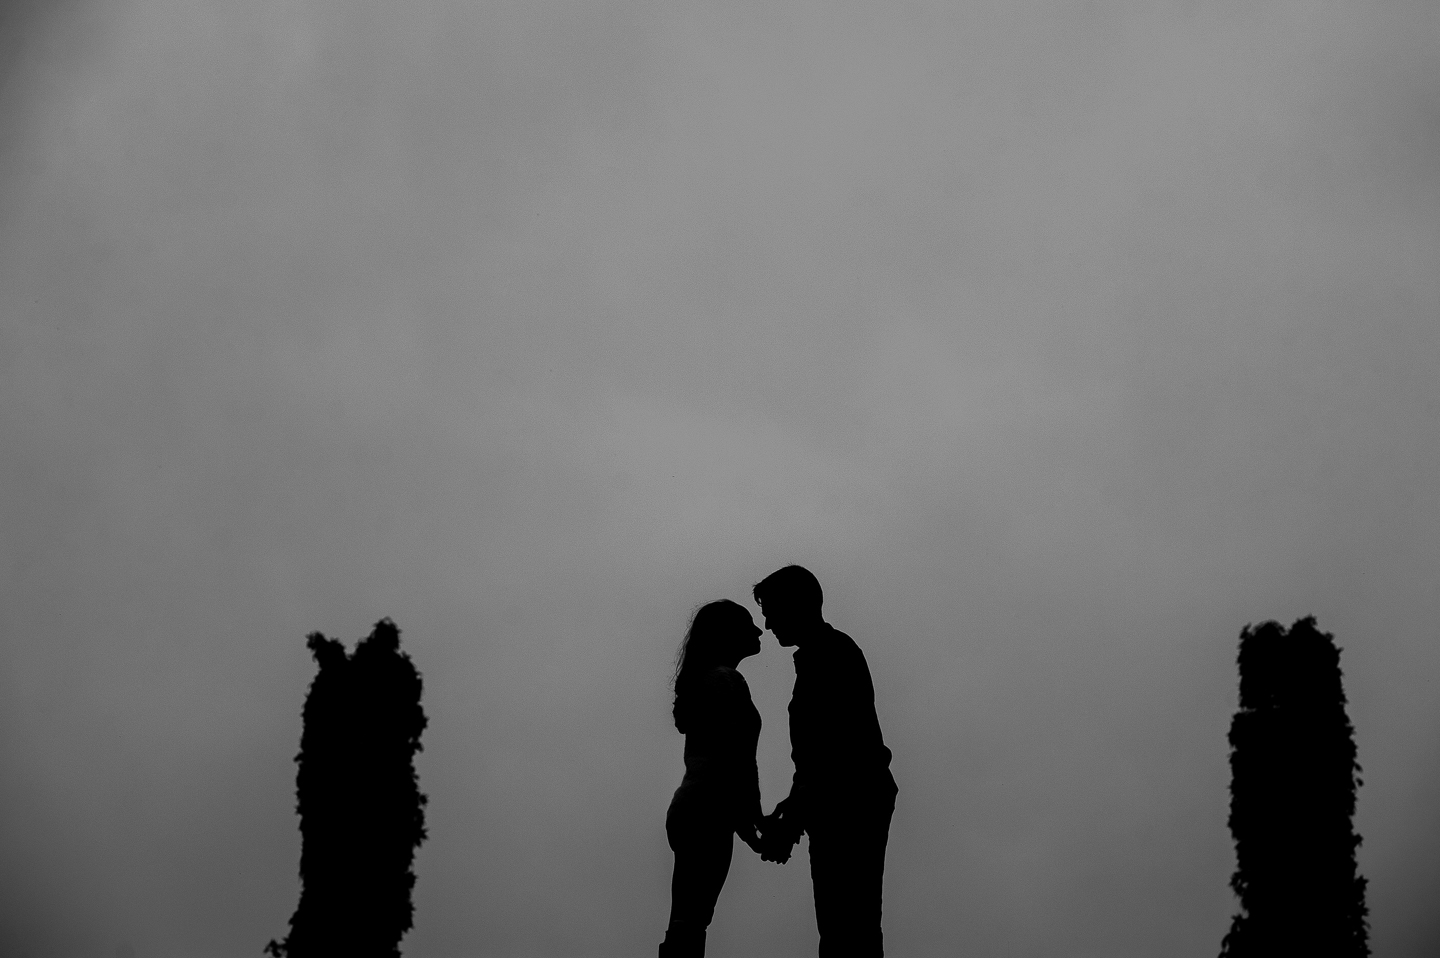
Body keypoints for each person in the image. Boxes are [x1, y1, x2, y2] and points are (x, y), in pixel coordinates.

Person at [754, 565, 897, 958]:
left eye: (771, 611)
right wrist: (794, 807)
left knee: (846, 930)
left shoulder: (829, 657)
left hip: (851, 804)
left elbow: (834, 757)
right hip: (848, 800)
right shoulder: (826, 655)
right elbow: (822, 759)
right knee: (848, 928)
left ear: (797, 605)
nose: (766, 624)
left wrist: (794, 817)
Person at [659, 599, 767, 957]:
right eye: (748, 624)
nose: (759, 630)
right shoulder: (725, 680)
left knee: (687, 920)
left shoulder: (710, 681)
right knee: (692, 922)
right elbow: (734, 756)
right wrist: (751, 818)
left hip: (697, 808)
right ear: (727, 634)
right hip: (708, 809)